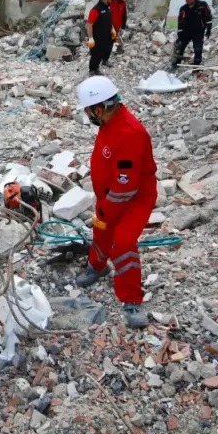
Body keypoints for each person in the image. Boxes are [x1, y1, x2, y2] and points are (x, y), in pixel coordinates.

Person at [72, 76, 158, 329]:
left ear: (100, 108)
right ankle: (96, 266)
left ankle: (132, 300)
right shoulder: (111, 123)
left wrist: (106, 209)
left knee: (123, 242)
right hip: (110, 196)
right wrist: (104, 207)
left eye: (88, 110)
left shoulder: (130, 134)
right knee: (101, 231)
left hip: (134, 199)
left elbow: (126, 185)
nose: (87, 115)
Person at [171, 0, 213, 70]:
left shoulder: (202, 5)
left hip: (198, 32)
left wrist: (208, 29)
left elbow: (208, 17)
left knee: (198, 49)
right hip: (186, 32)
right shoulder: (183, 9)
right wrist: (180, 35)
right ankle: (175, 66)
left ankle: (196, 67)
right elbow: (180, 23)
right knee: (179, 48)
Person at [86, 0, 116, 75]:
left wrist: (112, 29)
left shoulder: (107, 7)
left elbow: (108, 20)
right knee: (97, 54)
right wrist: (91, 38)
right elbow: (89, 25)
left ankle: (105, 60)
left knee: (108, 48)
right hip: (98, 37)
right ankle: (93, 70)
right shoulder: (96, 10)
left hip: (107, 35)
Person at [108, 0, 128, 65]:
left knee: (114, 39)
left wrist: (123, 27)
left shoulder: (122, 3)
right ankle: (104, 57)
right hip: (108, 26)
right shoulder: (109, 1)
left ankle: (112, 53)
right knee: (107, 41)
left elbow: (124, 15)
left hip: (117, 26)